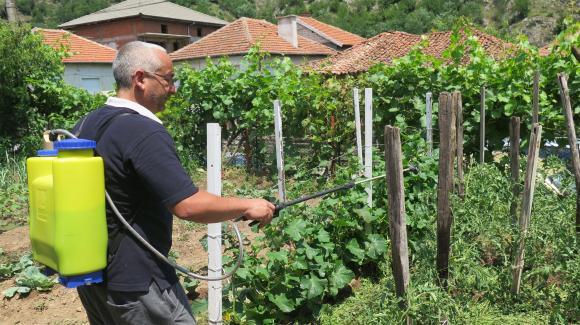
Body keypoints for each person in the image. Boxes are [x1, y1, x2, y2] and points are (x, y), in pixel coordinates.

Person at [73, 41, 275, 325]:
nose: (173, 88)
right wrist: (248, 205)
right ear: (140, 79)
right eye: (168, 79)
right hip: (140, 285)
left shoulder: (88, 123)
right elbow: (188, 205)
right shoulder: (143, 131)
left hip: (93, 277)